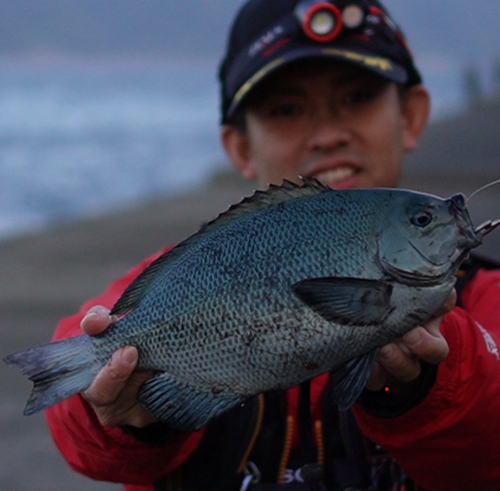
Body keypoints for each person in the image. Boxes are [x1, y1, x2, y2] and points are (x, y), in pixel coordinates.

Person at [46, 0, 500, 490]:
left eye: (357, 97)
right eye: (286, 110)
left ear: (410, 116)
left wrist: (423, 384)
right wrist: (118, 410)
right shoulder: (183, 273)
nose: (327, 134)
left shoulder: (486, 299)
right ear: (240, 147)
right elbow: (76, 408)